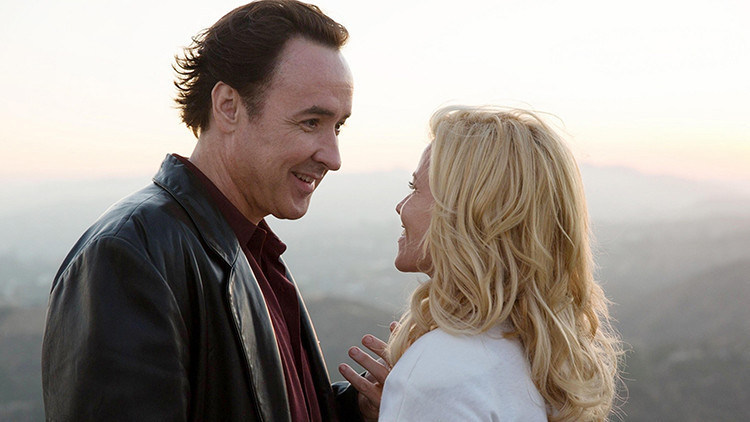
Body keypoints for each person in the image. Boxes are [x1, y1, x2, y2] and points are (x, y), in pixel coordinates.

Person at [41, 1, 387, 420]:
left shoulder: (251, 249)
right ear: (228, 106)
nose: (333, 157)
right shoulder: (131, 254)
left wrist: (356, 410)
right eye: (311, 122)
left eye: (338, 127)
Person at [380, 106, 623, 421]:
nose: (400, 206)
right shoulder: (544, 364)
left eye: (414, 189)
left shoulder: (437, 374)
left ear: (463, 214)